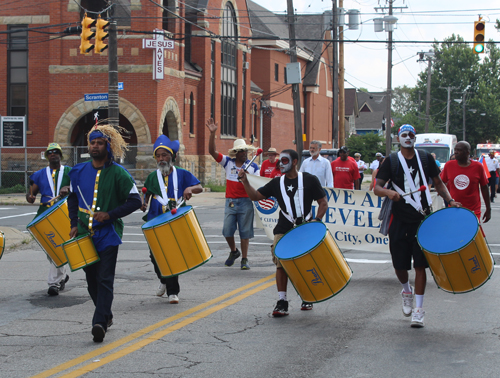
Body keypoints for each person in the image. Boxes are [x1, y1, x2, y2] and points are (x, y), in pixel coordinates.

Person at [374, 124, 460, 328]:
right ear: (398, 138)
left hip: (422, 218)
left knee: (420, 265)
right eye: (404, 134)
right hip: (399, 219)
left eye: (411, 134)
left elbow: (438, 183)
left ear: (415, 138)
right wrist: (388, 193)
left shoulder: (425, 158)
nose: (408, 137)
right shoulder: (391, 161)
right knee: (399, 265)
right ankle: (406, 290)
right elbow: (377, 187)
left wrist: (450, 200)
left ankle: (419, 310)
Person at [67, 125, 142, 343]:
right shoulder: (78, 171)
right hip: (83, 234)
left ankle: (98, 323)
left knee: (105, 279)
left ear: (108, 147)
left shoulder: (119, 173)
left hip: (108, 234)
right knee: (91, 281)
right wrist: (73, 222)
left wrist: (109, 214)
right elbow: (72, 198)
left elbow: (136, 201)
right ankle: (106, 315)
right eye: (92, 143)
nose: (95, 146)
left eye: (100, 143)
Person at [238, 149, 328, 316]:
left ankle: (307, 296)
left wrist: (316, 221)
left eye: (285, 160)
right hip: (283, 228)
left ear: (295, 162)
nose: (281, 164)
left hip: (305, 227)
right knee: (281, 262)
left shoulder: (309, 180)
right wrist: (245, 181)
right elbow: (255, 197)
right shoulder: (276, 183)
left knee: (305, 263)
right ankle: (282, 301)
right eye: (280, 161)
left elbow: (323, 203)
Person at [141, 135, 203, 303]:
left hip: (175, 221)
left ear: (172, 157)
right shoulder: (152, 177)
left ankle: (173, 291)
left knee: (171, 254)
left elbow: (200, 187)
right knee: (155, 257)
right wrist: (143, 202)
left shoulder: (182, 174)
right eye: (158, 156)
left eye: (164, 155)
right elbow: (146, 193)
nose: (161, 159)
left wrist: (190, 188)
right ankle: (163, 280)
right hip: (155, 221)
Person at [206, 118, 259, 270]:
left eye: (246, 151)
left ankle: (244, 258)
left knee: (245, 231)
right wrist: (212, 134)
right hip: (230, 201)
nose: (245, 153)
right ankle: (234, 251)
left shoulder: (253, 166)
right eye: (242, 151)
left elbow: (257, 183)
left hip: (246, 201)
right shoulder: (228, 162)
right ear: (236, 153)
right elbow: (212, 152)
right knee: (227, 230)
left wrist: (247, 176)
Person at [27, 143, 71, 296]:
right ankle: (62, 275)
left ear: (60, 155)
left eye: (56, 152)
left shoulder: (69, 172)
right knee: (50, 248)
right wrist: (30, 196)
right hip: (44, 213)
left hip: (63, 212)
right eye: (50, 152)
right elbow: (31, 195)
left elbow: (78, 187)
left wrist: (68, 188)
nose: (53, 154)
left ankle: (54, 283)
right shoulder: (39, 174)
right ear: (47, 156)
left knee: (58, 246)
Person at [440, 141, 491, 222]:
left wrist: (488, 209)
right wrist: (449, 200)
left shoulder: (478, 167)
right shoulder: (449, 165)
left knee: (471, 233)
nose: (456, 152)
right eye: (455, 150)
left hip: (473, 210)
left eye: (459, 150)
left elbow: (484, 187)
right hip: (454, 208)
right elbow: (440, 184)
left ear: (467, 152)